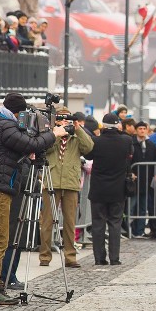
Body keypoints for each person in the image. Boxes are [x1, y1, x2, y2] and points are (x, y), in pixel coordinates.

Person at [0, 93, 66, 304]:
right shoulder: (6, 126)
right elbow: (29, 143)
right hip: (0, 187)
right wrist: (54, 134)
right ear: (18, 113)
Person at [40, 107, 94, 268]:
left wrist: (78, 129)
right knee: (47, 221)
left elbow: (89, 147)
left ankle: (70, 256)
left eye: (67, 119)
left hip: (70, 182)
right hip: (52, 180)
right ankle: (44, 256)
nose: (64, 122)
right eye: (60, 119)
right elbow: (44, 148)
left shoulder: (76, 136)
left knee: (70, 222)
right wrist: (56, 133)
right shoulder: (49, 134)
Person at [86, 113, 133, 265]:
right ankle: (114, 258)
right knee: (115, 223)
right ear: (117, 124)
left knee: (98, 224)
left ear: (103, 125)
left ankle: (99, 258)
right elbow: (129, 155)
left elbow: (89, 156)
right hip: (118, 189)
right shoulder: (126, 140)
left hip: (99, 188)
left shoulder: (96, 141)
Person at [130, 121, 156, 237]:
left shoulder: (151, 145)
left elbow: (155, 161)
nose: (142, 131)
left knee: (143, 207)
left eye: (144, 128)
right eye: (140, 128)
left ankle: (140, 231)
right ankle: (130, 229)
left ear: (147, 130)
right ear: (136, 130)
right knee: (132, 206)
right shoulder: (132, 143)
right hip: (134, 181)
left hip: (146, 180)